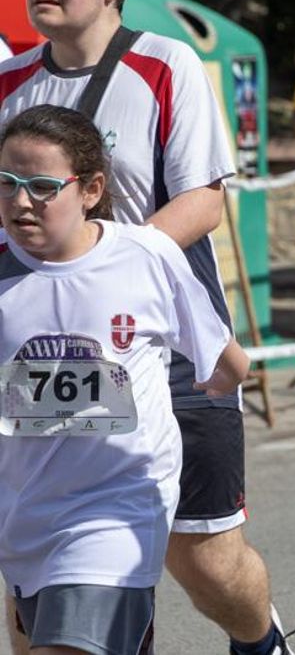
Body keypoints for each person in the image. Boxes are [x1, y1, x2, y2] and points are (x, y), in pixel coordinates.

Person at [2, 0, 295, 655]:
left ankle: (262, 642)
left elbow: (202, 200)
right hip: (47, 358)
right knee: (47, 562)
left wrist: (106, 269)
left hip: (162, 351)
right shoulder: (10, 84)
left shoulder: (167, 67)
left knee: (205, 562)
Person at [0, 105, 250, 655]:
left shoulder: (144, 254)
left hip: (121, 506)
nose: (20, 202)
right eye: (7, 183)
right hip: (27, 518)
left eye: (42, 186)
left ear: (90, 188)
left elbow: (225, 359)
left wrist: (219, 382)